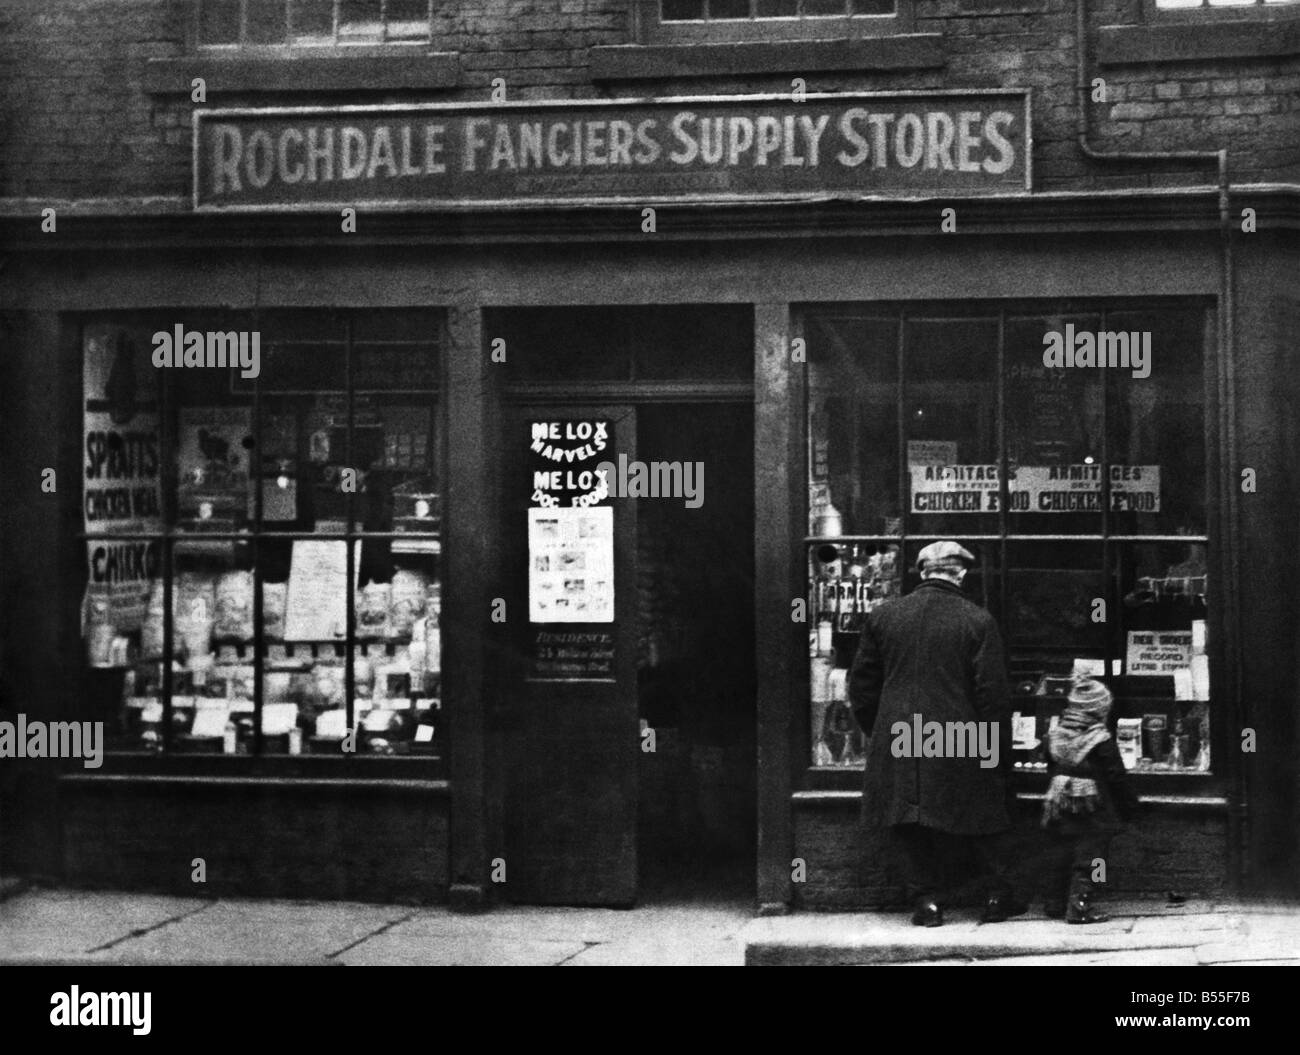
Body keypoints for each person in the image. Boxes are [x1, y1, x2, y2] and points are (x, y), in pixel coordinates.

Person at [849, 540, 1023, 927]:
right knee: (983, 813)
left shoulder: (882, 617)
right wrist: (996, 752)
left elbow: (861, 687)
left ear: (922, 572)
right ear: (961, 573)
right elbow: (992, 696)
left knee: (908, 822)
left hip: (899, 733)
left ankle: (926, 902)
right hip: (959, 734)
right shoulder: (977, 620)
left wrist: (881, 732)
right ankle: (997, 896)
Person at [1041, 677, 1139, 924]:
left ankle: (1054, 903)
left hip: (1060, 809)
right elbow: (1116, 776)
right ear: (1100, 710)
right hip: (1096, 812)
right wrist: (1130, 805)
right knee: (1096, 860)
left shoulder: (1055, 735)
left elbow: (1050, 768)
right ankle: (1083, 904)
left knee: (1060, 855)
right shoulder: (1101, 740)